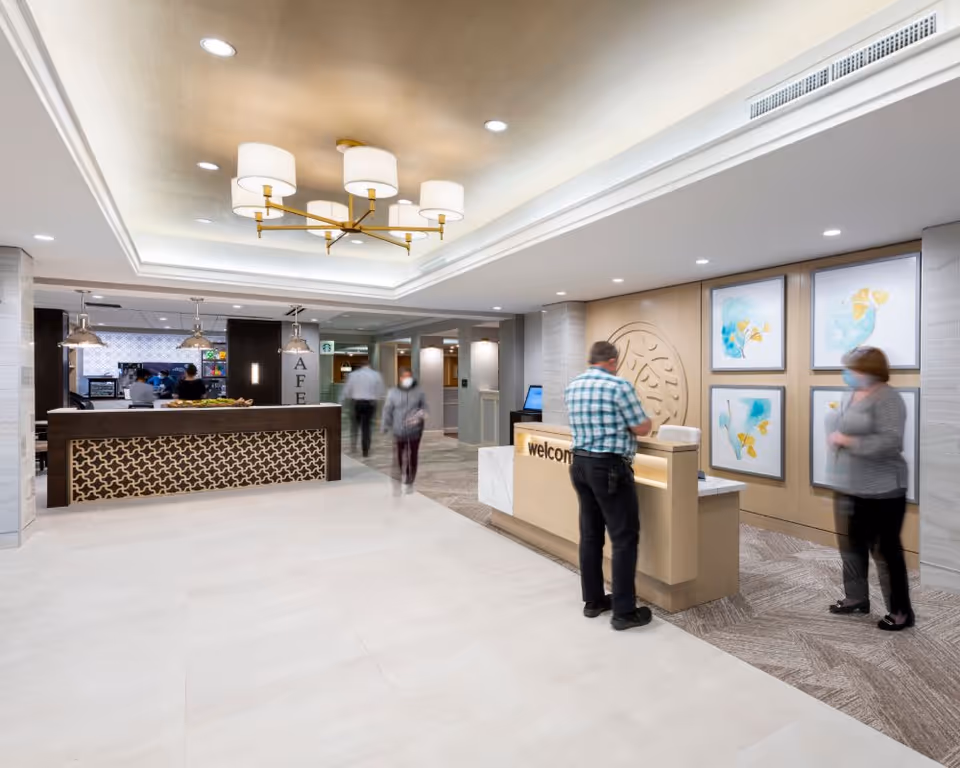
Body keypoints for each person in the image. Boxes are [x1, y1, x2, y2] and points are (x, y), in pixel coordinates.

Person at [565, 341, 653, 631]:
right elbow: (641, 427)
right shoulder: (619, 386)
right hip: (609, 467)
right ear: (613, 361)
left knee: (590, 535)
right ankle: (624, 611)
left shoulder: (573, 385)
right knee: (624, 537)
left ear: (591, 360)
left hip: (579, 464)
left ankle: (593, 601)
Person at [827, 346, 914, 631]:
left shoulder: (889, 399)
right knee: (851, 547)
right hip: (850, 485)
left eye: (852, 369)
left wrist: (848, 441)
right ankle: (855, 599)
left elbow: (891, 442)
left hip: (884, 489)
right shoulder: (849, 395)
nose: (847, 374)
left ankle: (900, 612)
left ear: (870, 371)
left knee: (886, 552)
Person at [381, 366, 427, 494]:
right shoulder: (393, 392)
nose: (407, 379)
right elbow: (387, 410)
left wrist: (419, 416)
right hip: (399, 430)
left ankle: (410, 480)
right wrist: (384, 425)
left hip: (415, 430)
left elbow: (424, 408)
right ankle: (400, 478)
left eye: (409, 377)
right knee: (400, 456)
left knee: (413, 455)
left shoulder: (419, 392)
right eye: (404, 377)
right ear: (400, 378)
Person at [341, 360, 384, 457]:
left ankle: (353, 446)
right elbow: (380, 391)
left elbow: (347, 390)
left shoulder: (353, 375)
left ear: (361, 366)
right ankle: (365, 450)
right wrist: (376, 400)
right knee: (367, 427)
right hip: (370, 403)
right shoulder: (376, 375)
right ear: (369, 365)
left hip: (356, 403)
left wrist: (343, 402)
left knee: (354, 426)